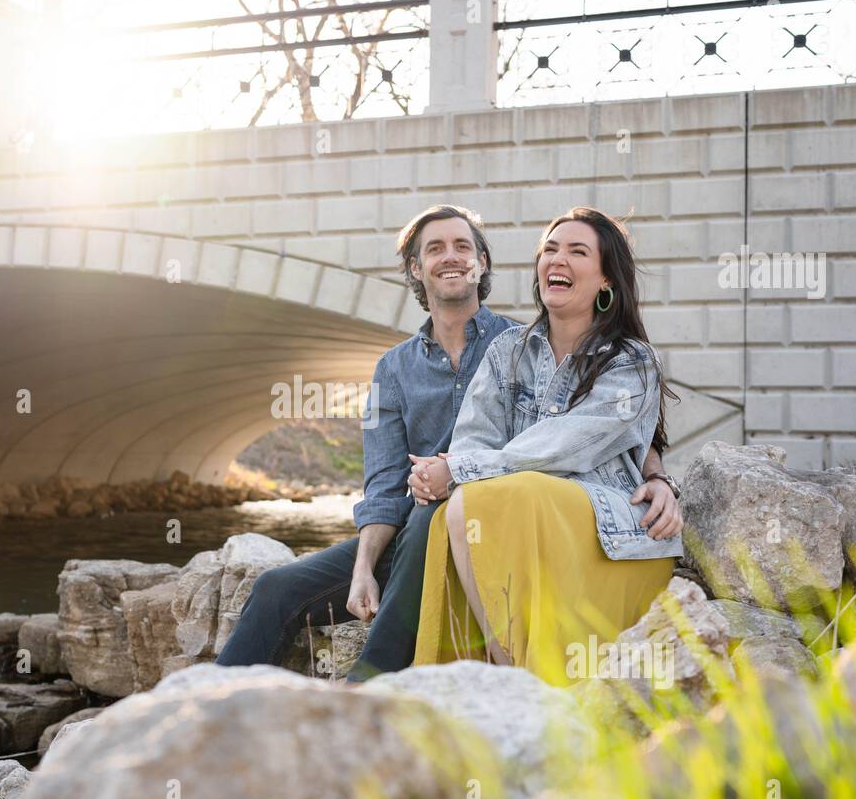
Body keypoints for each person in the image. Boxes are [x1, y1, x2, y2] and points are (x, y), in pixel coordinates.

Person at [216, 205, 681, 683]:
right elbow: (383, 487)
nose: (450, 257)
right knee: (277, 586)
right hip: (418, 532)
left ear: (482, 262)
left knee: (433, 511)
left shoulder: (517, 339)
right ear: (417, 269)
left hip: (481, 519)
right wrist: (363, 566)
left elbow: (597, 429)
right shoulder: (396, 370)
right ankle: (200, 710)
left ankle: (370, 682)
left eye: (463, 246)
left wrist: (656, 475)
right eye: (434, 249)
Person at [406, 207, 684, 685]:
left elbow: (569, 445)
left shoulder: (632, 361)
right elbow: (473, 438)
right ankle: (506, 664)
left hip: (608, 530)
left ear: (605, 280)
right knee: (465, 507)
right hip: (522, 517)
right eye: (550, 250)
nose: (559, 259)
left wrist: (460, 468)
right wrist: (458, 467)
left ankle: (510, 677)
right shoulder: (506, 351)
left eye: (578, 251)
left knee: (492, 494)